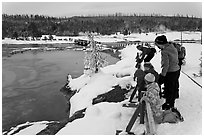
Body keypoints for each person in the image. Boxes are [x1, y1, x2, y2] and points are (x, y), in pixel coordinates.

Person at [154, 35, 180, 110]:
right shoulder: (172, 46)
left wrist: (162, 76)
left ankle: (169, 104)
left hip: (170, 72)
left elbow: (166, 65)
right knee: (174, 86)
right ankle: (172, 99)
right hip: (176, 70)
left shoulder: (165, 51)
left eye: (157, 45)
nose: (157, 47)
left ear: (161, 43)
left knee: (169, 88)